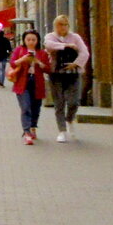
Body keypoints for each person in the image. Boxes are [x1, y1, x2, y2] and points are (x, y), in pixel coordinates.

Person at [44, 14, 90, 143]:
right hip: (56, 73)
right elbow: (48, 45)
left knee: (74, 101)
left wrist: (75, 64)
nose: (63, 27)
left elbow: (85, 52)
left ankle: (69, 119)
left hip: (73, 73)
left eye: (65, 24)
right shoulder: (50, 36)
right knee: (59, 103)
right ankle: (62, 131)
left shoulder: (75, 37)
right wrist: (67, 46)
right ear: (55, 26)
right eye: (60, 24)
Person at [10, 29, 52, 144]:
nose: (31, 42)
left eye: (33, 39)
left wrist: (38, 62)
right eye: (28, 39)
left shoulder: (42, 53)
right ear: (24, 40)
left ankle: (33, 127)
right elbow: (13, 63)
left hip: (37, 82)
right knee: (25, 107)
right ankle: (27, 132)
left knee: (36, 108)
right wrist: (23, 59)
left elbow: (48, 69)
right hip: (22, 82)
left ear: (37, 40)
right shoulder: (20, 50)